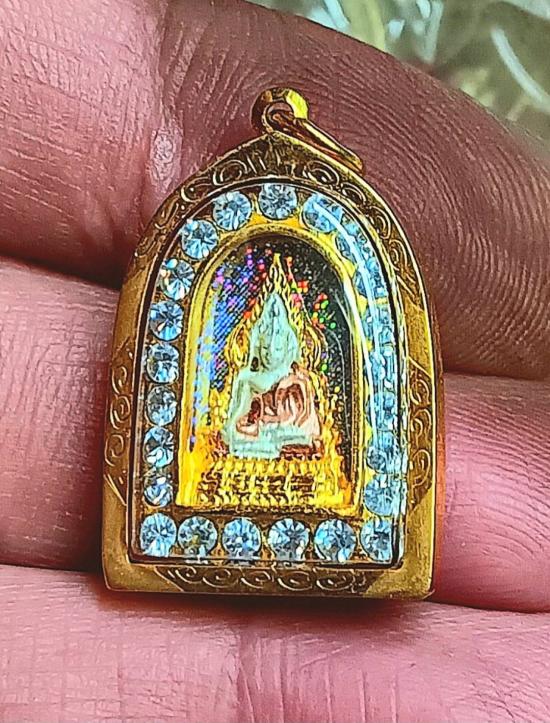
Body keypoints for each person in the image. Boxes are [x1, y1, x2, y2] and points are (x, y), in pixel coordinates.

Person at [0, 0, 549, 721]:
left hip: (311, 462)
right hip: (232, 459)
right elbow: (240, 412)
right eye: (263, 339)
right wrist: (253, 407)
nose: (270, 351)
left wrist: (291, 405)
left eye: (279, 339)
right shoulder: (248, 369)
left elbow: (303, 413)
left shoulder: (300, 372)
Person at [224, 292, 321, 458]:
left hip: (287, 437)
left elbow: (309, 429)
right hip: (256, 440)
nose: (270, 354)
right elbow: (233, 427)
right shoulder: (247, 379)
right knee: (238, 444)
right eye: (265, 349)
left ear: (288, 347)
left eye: (277, 348)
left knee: (297, 443)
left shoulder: (297, 382)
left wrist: (283, 432)